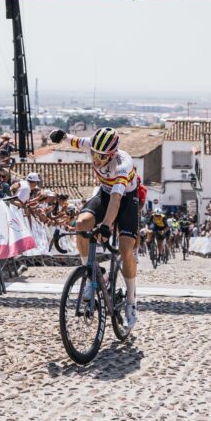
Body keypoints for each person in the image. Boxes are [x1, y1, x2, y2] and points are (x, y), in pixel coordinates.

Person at [49, 127, 141, 328]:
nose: (97, 159)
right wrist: (60, 136)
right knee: (81, 225)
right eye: (95, 154)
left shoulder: (122, 164)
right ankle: (90, 272)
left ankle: (131, 302)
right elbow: (72, 140)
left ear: (112, 154)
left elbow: (117, 199)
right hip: (105, 193)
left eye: (102, 156)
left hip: (126, 198)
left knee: (126, 250)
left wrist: (106, 226)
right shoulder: (91, 145)